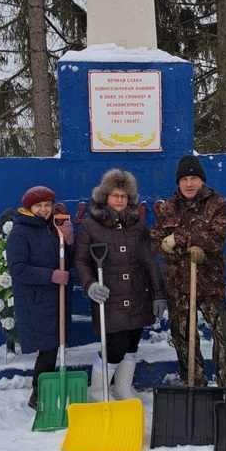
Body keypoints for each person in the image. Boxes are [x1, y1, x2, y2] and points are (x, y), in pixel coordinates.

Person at [150, 154, 226, 401]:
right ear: (178, 182)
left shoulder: (217, 204)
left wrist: (179, 240)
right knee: (183, 338)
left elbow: (217, 238)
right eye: (184, 179)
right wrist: (181, 243)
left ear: (201, 180)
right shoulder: (168, 207)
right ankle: (194, 384)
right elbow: (156, 243)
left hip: (210, 284)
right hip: (178, 285)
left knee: (224, 336)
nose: (189, 183)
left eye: (193, 178)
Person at [74, 169, 166, 402]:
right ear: (105, 196)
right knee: (114, 347)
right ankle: (98, 393)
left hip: (138, 295)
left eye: (124, 196)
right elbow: (81, 260)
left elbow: (149, 261)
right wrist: (90, 285)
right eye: (115, 195)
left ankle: (122, 389)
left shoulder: (137, 226)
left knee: (132, 344)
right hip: (109, 297)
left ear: (130, 199)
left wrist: (158, 294)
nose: (119, 200)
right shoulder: (90, 226)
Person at [6, 185, 74, 410]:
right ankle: (38, 393)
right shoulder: (20, 232)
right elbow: (17, 268)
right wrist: (51, 275)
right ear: (29, 208)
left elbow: (67, 260)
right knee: (47, 348)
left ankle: (46, 389)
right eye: (39, 205)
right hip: (35, 299)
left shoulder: (55, 227)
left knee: (54, 345)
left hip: (57, 296)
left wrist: (69, 242)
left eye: (47, 205)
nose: (44, 209)